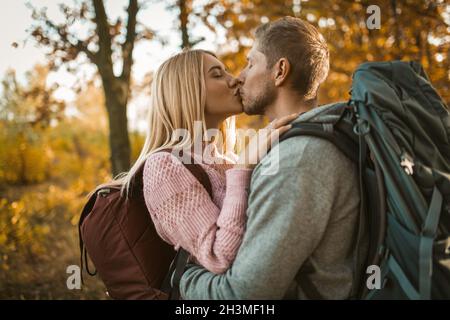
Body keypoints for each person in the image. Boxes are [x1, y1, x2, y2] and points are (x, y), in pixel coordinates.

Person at [180, 17, 365, 299]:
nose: (240, 76)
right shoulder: (313, 143)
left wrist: (184, 276)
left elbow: (242, 296)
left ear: (279, 71)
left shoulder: (298, 160)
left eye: (250, 63)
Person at [107, 49, 297, 275]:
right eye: (217, 74)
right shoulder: (164, 166)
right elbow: (219, 257)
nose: (234, 79)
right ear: (187, 91)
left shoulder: (229, 160)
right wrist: (244, 168)